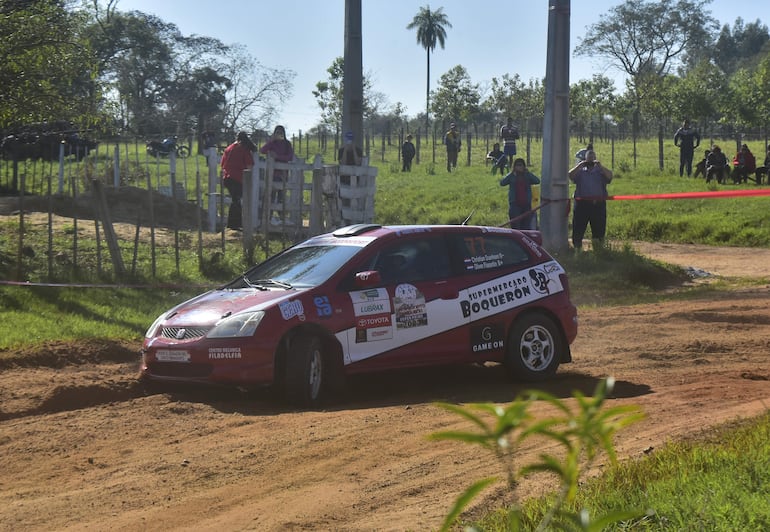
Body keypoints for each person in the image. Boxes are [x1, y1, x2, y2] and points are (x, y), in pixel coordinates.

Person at [569, 149, 613, 250]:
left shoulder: (600, 171)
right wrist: (580, 166)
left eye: (592, 160)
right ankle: (577, 250)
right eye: (588, 160)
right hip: (582, 205)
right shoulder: (580, 172)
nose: (590, 162)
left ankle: (598, 250)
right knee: (578, 228)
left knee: (599, 229)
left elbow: (610, 176)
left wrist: (600, 166)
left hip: (598, 205)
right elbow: (570, 175)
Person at [220, 131, 256, 230]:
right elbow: (249, 166)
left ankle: (234, 224)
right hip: (237, 178)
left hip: (227, 177)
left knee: (235, 200)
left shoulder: (229, 148)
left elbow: (222, 164)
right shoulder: (244, 149)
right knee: (236, 201)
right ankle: (234, 224)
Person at [260, 125, 294, 224]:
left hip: (283, 174)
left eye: (281, 133)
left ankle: (282, 218)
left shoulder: (287, 144)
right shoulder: (272, 143)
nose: (279, 135)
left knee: (281, 197)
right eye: (277, 133)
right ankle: (269, 218)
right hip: (272, 174)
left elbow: (290, 157)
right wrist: (271, 140)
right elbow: (262, 150)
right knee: (271, 196)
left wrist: (277, 156)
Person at [500, 158, 540, 230]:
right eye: (517, 165)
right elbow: (502, 183)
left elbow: (537, 181)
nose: (519, 167)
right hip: (515, 205)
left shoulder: (527, 176)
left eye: (521, 165)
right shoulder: (512, 176)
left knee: (526, 226)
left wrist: (528, 173)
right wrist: (512, 174)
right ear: (514, 167)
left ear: (524, 166)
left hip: (526, 205)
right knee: (515, 226)